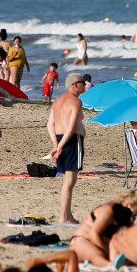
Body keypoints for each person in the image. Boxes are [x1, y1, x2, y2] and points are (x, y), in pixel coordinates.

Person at [47, 73, 86, 224]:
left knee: (65, 179)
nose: (85, 85)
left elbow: (50, 125)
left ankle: (68, 215)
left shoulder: (57, 100)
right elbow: (71, 128)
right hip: (72, 140)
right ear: (75, 85)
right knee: (69, 181)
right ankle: (63, 217)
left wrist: (56, 145)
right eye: (83, 82)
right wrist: (60, 147)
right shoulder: (76, 101)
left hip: (59, 139)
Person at [68, 192, 137, 266]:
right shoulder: (109, 210)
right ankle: (110, 265)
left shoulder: (121, 215)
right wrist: (106, 252)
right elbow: (93, 234)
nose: (132, 218)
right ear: (128, 205)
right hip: (80, 240)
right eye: (134, 214)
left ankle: (111, 263)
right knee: (97, 254)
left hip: (95, 241)